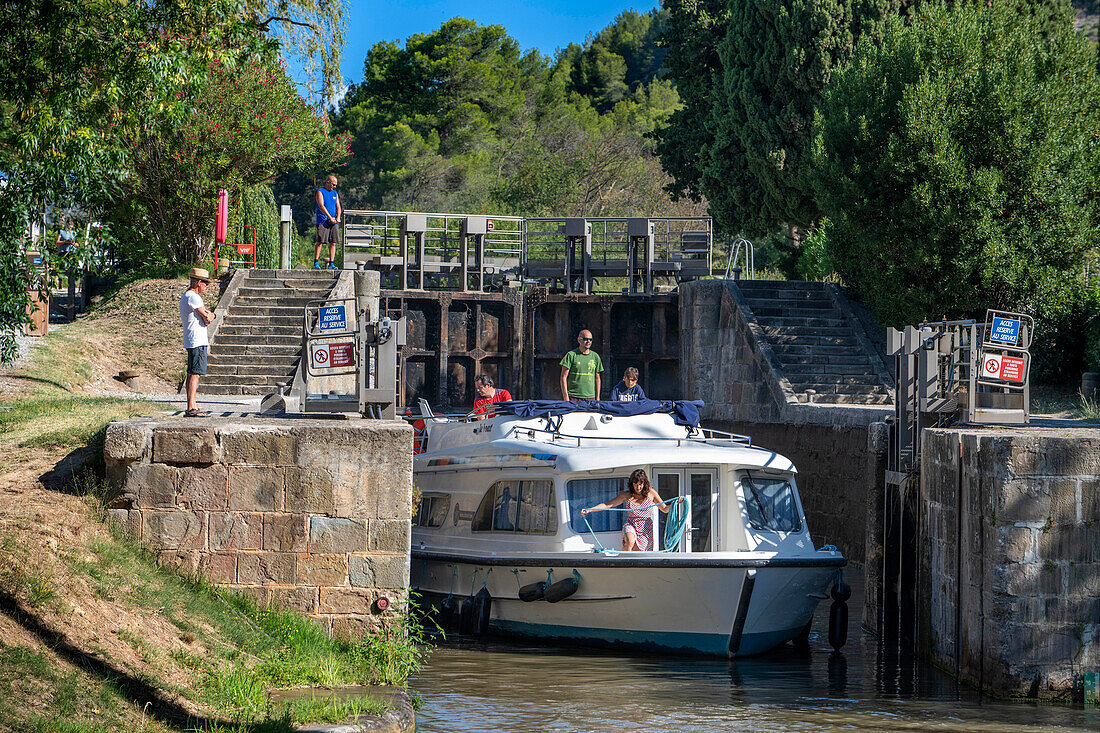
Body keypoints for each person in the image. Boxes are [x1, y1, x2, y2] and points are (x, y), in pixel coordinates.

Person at [581, 469, 683, 551]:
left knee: (638, 551)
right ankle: (622, 563)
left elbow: (664, 509)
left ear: (644, 483)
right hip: (632, 524)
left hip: (645, 528)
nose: (638, 487)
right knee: (630, 541)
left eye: (641, 484)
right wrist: (589, 510)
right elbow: (608, 505)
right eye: (635, 484)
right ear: (632, 483)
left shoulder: (651, 493)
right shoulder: (626, 495)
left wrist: (676, 503)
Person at [180, 268, 216, 417]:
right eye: (205, 283)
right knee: (195, 373)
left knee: (192, 373)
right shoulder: (193, 297)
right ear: (198, 282)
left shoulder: (187, 296)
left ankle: (192, 405)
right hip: (196, 340)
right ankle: (191, 407)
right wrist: (212, 314)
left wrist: (208, 316)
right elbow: (207, 317)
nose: (206, 287)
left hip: (192, 339)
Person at [559, 329, 604, 401]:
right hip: (573, 397)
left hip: (590, 398)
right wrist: (566, 398)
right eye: (585, 339)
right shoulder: (571, 355)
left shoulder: (595, 357)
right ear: (579, 340)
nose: (588, 341)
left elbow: (597, 378)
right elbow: (563, 377)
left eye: (590, 339)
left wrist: (597, 398)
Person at [314, 174, 341, 270]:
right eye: (333, 185)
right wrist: (329, 217)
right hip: (323, 221)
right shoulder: (320, 192)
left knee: (333, 242)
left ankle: (331, 263)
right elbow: (321, 206)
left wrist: (338, 217)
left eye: (335, 185)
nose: (334, 187)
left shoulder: (335, 193)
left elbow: (338, 206)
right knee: (320, 241)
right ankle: (316, 262)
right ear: (328, 182)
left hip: (333, 221)